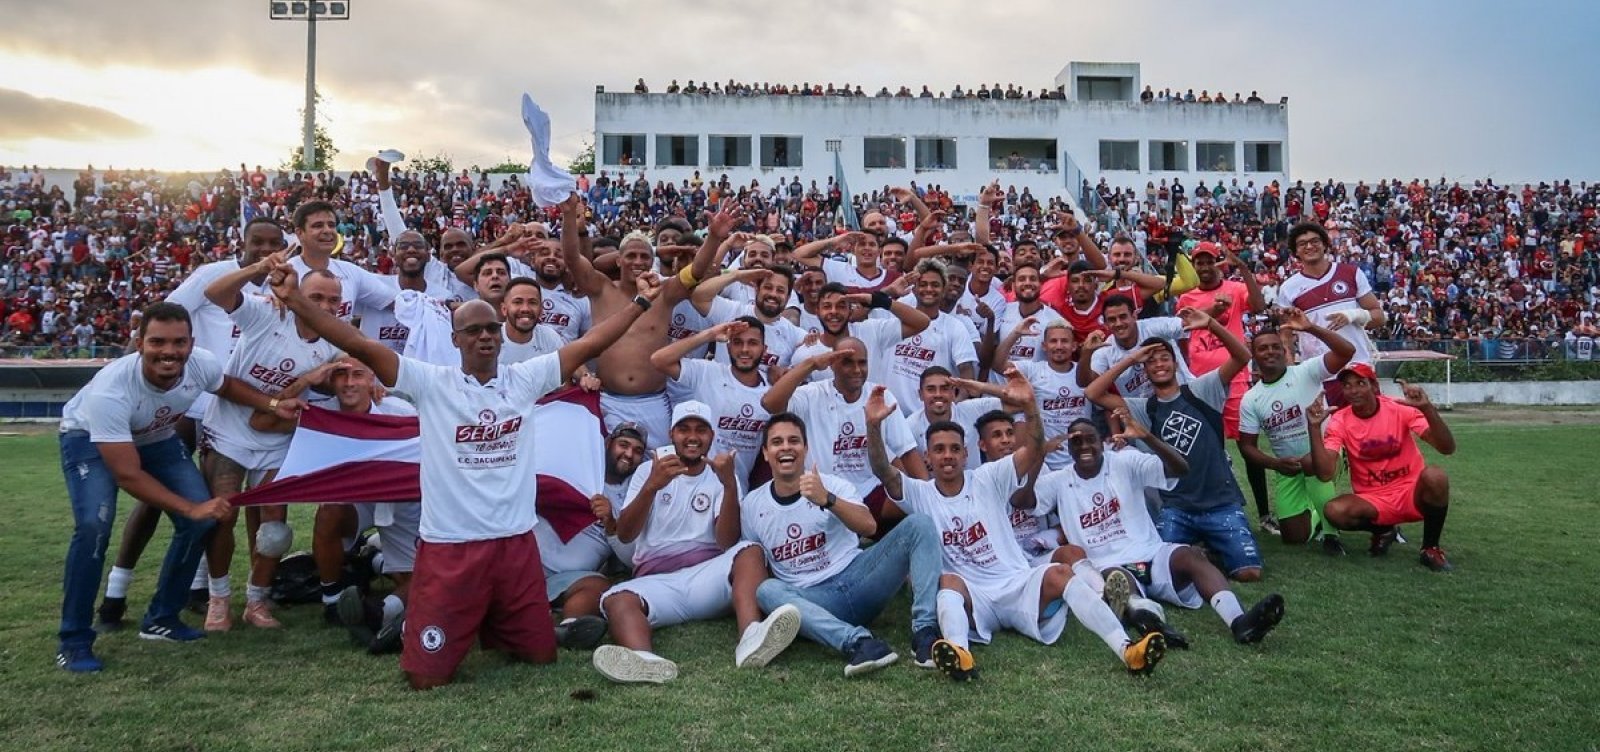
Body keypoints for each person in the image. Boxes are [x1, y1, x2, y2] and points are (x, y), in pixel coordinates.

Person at [266, 251, 663, 690]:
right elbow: (361, 345)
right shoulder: (431, 383)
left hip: (514, 543)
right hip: (452, 545)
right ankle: (407, 626)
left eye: (491, 329)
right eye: (472, 330)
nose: (485, 337)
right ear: (456, 340)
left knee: (538, 657)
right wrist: (296, 300)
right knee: (425, 679)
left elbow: (590, 344)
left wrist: (641, 304)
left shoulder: (524, 379)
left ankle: (498, 627)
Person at [867, 373, 1163, 680]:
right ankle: (959, 654)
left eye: (955, 449)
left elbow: (1033, 449)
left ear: (966, 453)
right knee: (948, 584)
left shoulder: (987, 477)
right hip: (974, 597)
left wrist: (1030, 408)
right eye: (939, 450)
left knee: (1062, 572)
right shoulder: (919, 492)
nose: (947, 456)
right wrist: (873, 427)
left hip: (1016, 582)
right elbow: (882, 470)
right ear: (927, 456)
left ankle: (1128, 649)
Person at [55, 303, 300, 672]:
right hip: (88, 439)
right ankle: (73, 639)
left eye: (178, 342)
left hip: (155, 436)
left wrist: (273, 403)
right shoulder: (111, 389)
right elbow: (129, 475)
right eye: (157, 342)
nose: (169, 351)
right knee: (93, 528)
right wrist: (189, 507)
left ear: (191, 343)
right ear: (139, 343)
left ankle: (162, 619)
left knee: (204, 521)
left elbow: (226, 385)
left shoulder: (200, 362)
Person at [98, 218, 287, 628]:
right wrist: (134, 378)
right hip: (194, 402)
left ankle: (214, 591)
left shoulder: (286, 281)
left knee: (242, 507)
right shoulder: (215, 274)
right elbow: (161, 319)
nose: (265, 249)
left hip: (240, 406)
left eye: (274, 242)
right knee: (157, 498)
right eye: (258, 242)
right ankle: (116, 592)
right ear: (243, 241)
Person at [592, 401, 800, 684]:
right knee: (616, 599)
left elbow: (727, 542)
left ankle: (751, 637)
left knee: (750, 551)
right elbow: (626, 534)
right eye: (684, 429)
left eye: (701, 430)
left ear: (711, 436)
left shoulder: (723, 475)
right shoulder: (648, 472)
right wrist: (653, 485)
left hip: (707, 578)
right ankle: (644, 660)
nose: (692, 437)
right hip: (658, 582)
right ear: (671, 434)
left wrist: (728, 485)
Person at [1033, 416, 1285, 646]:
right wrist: (1039, 455)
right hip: (1109, 564)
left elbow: (1179, 469)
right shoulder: (1058, 480)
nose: (1084, 446)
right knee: (1116, 578)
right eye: (1076, 442)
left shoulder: (1124, 461)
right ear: (1068, 447)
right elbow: (1021, 501)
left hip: (1151, 553)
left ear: (1104, 442)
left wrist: (1147, 437)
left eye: (1091, 439)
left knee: (1189, 555)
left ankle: (1239, 621)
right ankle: (1151, 622)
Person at [734, 412, 946, 675]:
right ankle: (859, 643)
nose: (786, 447)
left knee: (920, 524)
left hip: (860, 580)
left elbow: (869, 526)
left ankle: (925, 634)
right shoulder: (753, 504)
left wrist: (828, 499)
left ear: (805, 448)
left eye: (794, 441)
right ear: (766, 453)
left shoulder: (833, 484)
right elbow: (754, 559)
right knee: (767, 591)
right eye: (777, 442)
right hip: (814, 600)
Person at [198, 252, 344, 630]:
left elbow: (357, 372)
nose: (325, 306)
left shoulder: (333, 342)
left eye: (333, 301)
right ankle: (218, 597)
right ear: (296, 293)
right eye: (317, 298)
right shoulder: (266, 312)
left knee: (275, 530)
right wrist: (259, 270)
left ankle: (256, 601)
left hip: (275, 440)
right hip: (228, 433)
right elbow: (213, 292)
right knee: (221, 517)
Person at [1086, 307, 1264, 582]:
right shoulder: (1144, 408)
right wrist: (1132, 357)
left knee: (1249, 573)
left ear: (1176, 363)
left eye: (1165, 358)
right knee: (1161, 571)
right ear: (1144, 371)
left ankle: (1207, 549)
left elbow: (1243, 356)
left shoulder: (1202, 390)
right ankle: (1200, 551)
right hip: (1177, 508)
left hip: (1220, 503)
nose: (1159, 364)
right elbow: (1093, 392)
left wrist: (1212, 324)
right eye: (1152, 361)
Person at [560, 194, 736, 444]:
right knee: (608, 472)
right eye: (631, 256)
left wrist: (715, 238)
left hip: (654, 402)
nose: (638, 262)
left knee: (658, 468)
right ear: (619, 260)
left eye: (644, 257)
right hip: (608, 400)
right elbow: (572, 259)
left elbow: (696, 272)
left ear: (652, 262)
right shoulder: (601, 288)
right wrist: (568, 217)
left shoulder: (665, 294)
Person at [762, 340, 926, 532]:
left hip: (870, 492)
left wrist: (926, 495)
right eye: (847, 362)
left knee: (914, 510)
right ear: (832, 364)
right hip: (821, 492)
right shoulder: (811, 394)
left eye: (862, 362)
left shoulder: (880, 395)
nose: (857, 369)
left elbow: (907, 451)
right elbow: (770, 404)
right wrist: (812, 364)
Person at [1307, 366, 1458, 571]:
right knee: (1334, 511)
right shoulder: (1340, 420)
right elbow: (1325, 474)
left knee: (1436, 476)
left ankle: (1430, 548)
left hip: (1411, 492)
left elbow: (1446, 447)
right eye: (1347, 386)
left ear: (1374, 386)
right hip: (1374, 499)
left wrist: (1427, 408)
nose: (1353, 391)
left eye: (1360, 383)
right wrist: (1314, 428)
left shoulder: (1399, 409)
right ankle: (1384, 530)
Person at [1237, 309, 1355, 551]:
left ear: (1283, 350)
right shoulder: (1251, 399)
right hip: (1287, 467)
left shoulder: (1306, 371)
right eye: (1263, 348)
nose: (1270, 351)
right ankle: (1317, 512)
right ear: (1254, 355)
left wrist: (1311, 328)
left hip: (1326, 455)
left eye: (1274, 346)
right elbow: (1246, 446)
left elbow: (1347, 352)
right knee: (1293, 537)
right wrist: (1275, 464)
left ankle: (1331, 533)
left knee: (1311, 459)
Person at [1177, 243, 1272, 532]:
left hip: (1236, 377)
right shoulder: (1186, 296)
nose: (1205, 268)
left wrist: (1243, 268)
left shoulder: (1234, 287)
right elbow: (1182, 325)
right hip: (1201, 382)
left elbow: (1258, 306)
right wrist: (1213, 309)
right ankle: (1215, 512)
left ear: (1218, 263)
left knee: (1248, 445)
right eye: (1199, 263)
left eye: (1209, 262)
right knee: (1208, 449)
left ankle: (1265, 514)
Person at [650, 318, 773, 488]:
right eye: (737, 342)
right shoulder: (707, 372)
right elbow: (659, 359)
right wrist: (709, 335)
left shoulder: (772, 393)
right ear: (728, 346)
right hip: (692, 485)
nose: (744, 349)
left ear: (764, 349)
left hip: (736, 491)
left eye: (752, 343)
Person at [1274, 222, 1386, 407]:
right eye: (1302, 244)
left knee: (1370, 430)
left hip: (1357, 367)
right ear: (1296, 252)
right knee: (1329, 433)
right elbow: (1286, 334)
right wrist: (1290, 367)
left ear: (1325, 244)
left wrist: (1353, 315)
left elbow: (1378, 317)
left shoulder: (1350, 272)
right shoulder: (1288, 288)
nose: (1309, 246)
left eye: (1315, 241)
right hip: (1319, 373)